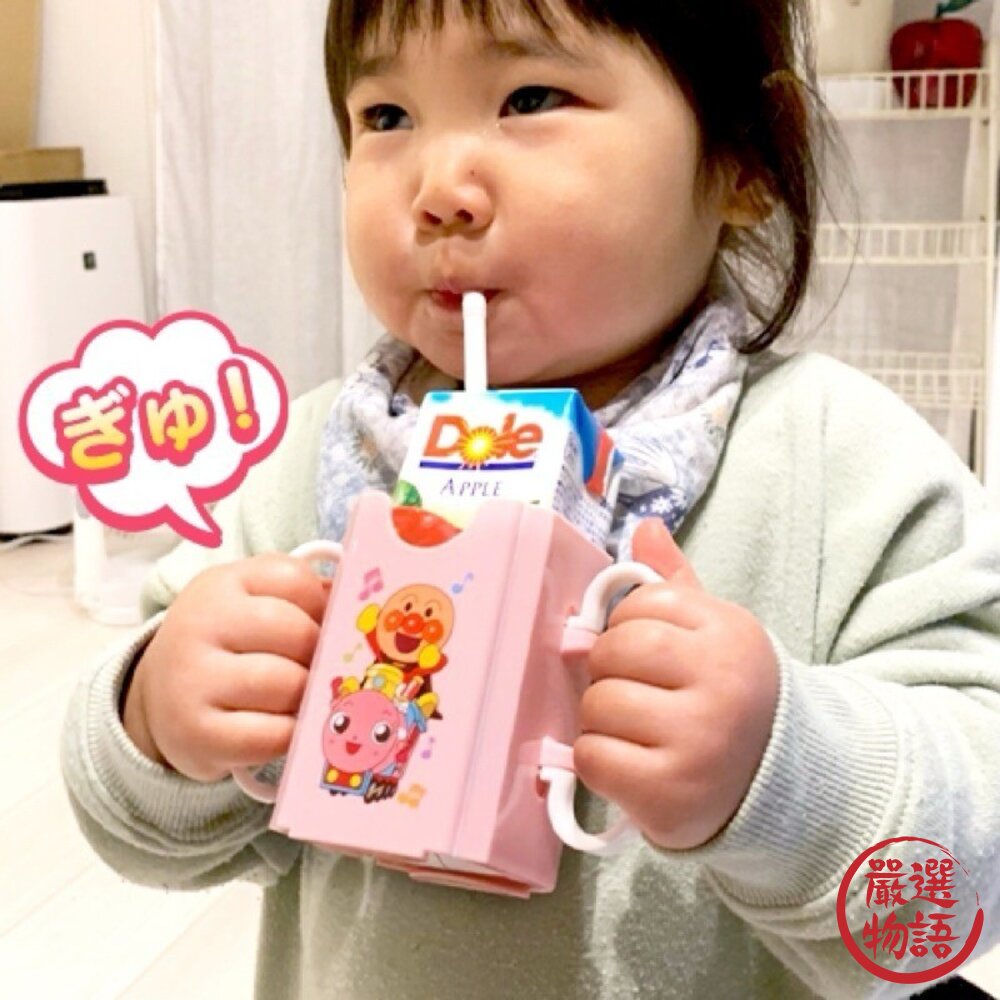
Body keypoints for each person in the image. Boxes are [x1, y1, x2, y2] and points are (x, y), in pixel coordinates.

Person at [61, 1, 1000, 997]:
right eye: (386, 116)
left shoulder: (843, 460)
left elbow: (960, 886)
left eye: (531, 97)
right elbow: (134, 825)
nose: (440, 190)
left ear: (744, 157)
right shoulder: (318, 461)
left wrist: (782, 770)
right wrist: (156, 716)